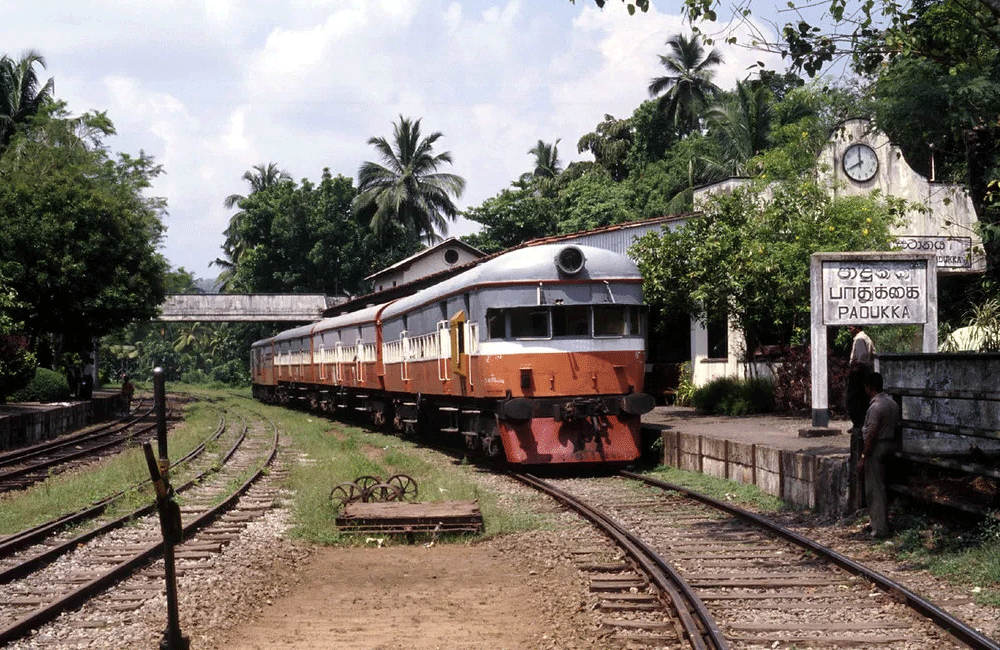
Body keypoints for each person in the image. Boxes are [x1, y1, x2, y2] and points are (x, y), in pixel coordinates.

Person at [856, 371, 900, 539]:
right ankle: (883, 524)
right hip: (891, 445)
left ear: (869, 387)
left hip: (877, 448)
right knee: (883, 488)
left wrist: (863, 457)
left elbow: (870, 435)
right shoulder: (892, 403)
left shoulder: (875, 407)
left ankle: (879, 529)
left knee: (875, 491)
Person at [846, 325, 876, 434]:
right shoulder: (866, 338)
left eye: (852, 327)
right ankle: (861, 423)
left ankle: (858, 424)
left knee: (853, 399)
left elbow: (862, 357)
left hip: (859, 372)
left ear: (857, 328)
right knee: (863, 399)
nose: (849, 329)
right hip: (865, 371)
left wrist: (855, 371)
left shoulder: (859, 339)